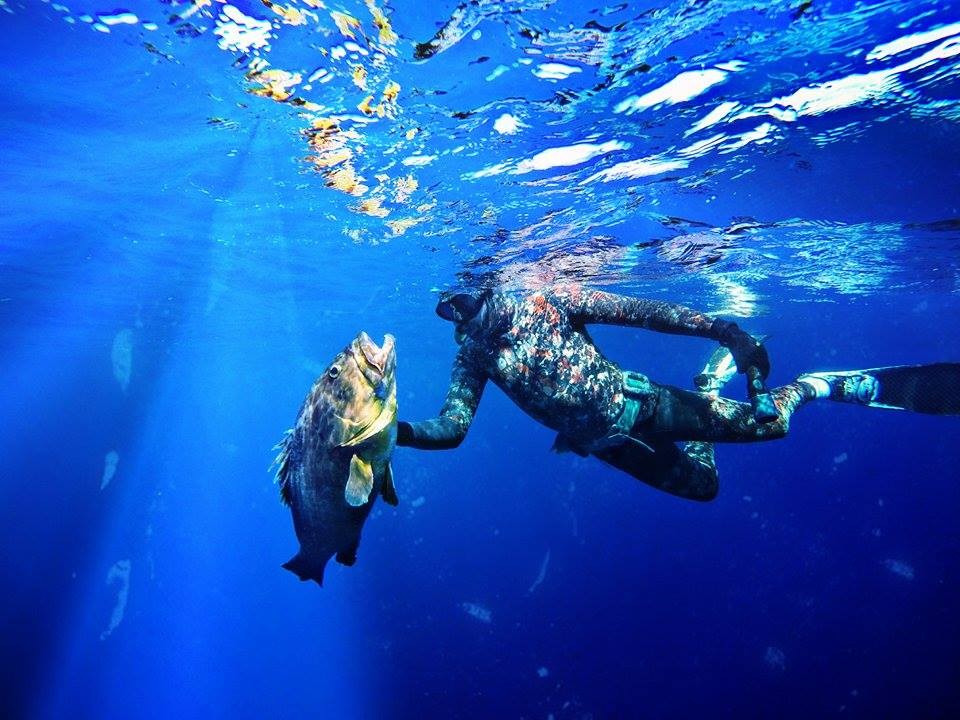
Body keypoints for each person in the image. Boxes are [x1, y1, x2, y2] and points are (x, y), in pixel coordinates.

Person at [396, 286, 959, 501]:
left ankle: (815, 385)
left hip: (647, 405)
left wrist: (725, 331)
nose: (460, 316)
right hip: (611, 446)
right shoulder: (473, 356)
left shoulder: (544, 300)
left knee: (775, 424)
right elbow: (454, 428)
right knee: (705, 489)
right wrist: (392, 432)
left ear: (488, 287)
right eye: (450, 313)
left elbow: (644, 313)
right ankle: (709, 385)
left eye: (462, 303)